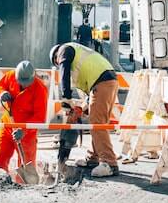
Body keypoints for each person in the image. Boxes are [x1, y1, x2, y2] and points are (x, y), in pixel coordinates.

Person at [50, 42, 119, 177]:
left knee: (97, 123)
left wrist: (66, 97)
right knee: (97, 122)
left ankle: (110, 163)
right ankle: (93, 158)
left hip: (102, 82)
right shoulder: (79, 54)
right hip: (107, 81)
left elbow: (64, 68)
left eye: (57, 62)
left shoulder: (64, 50)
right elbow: (90, 87)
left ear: (55, 58)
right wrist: (83, 107)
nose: (59, 64)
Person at [0, 60, 48, 173]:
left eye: (27, 82)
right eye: (21, 81)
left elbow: (39, 117)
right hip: (8, 125)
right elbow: (0, 85)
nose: (24, 85)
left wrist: (23, 130)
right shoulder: (10, 76)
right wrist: (1, 93)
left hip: (26, 134)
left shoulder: (40, 89)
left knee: (27, 166)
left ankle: (25, 186)